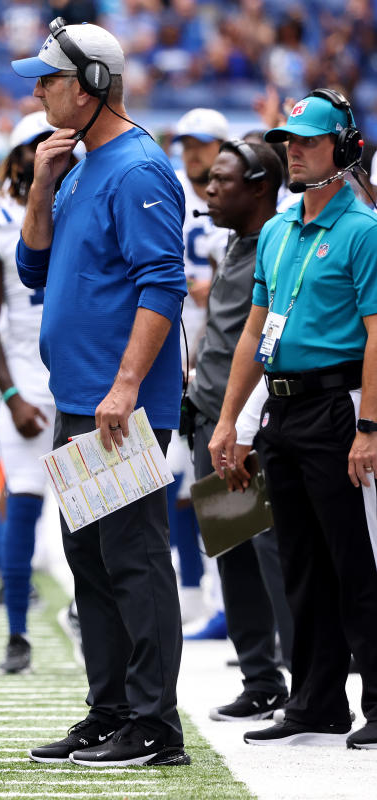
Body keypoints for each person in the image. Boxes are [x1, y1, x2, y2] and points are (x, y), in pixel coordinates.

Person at [12, 19, 190, 767]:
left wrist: (124, 387)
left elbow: (164, 285)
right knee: (89, 561)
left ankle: (154, 726)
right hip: (80, 400)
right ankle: (110, 709)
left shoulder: (137, 168)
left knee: (134, 562)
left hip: (117, 406)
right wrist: (43, 186)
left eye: (50, 78)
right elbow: (31, 272)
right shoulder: (81, 165)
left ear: (89, 85)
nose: (38, 89)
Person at [209, 89, 377, 751]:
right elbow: (254, 330)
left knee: (352, 562)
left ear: (341, 148)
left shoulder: (362, 230)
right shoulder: (277, 230)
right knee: (300, 563)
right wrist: (228, 423)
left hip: (338, 408)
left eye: (308, 141)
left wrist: (368, 429)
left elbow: (375, 334)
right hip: (281, 408)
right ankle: (314, 700)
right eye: (289, 141)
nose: (294, 151)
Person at [189, 138, 294, 721]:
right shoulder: (236, 244)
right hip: (210, 418)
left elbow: (267, 345)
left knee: (272, 552)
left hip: (249, 427)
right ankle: (261, 678)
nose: (209, 190)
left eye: (221, 181)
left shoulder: (280, 246)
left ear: (258, 186)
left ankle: (306, 682)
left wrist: (242, 423)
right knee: (232, 550)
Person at [0, 110, 70, 675]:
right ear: (16, 158)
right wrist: (10, 395)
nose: (48, 154)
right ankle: (17, 632)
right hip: (28, 386)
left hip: (85, 384)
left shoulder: (84, 204)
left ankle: (85, 613)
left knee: (93, 511)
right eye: (36, 145)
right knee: (24, 507)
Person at [169, 108, 233, 633]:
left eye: (204, 143)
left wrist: (221, 284)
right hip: (171, 356)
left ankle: (224, 600)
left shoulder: (232, 199)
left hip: (220, 360)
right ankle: (195, 590)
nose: (194, 152)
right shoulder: (166, 189)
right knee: (175, 482)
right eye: (188, 143)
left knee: (218, 482)